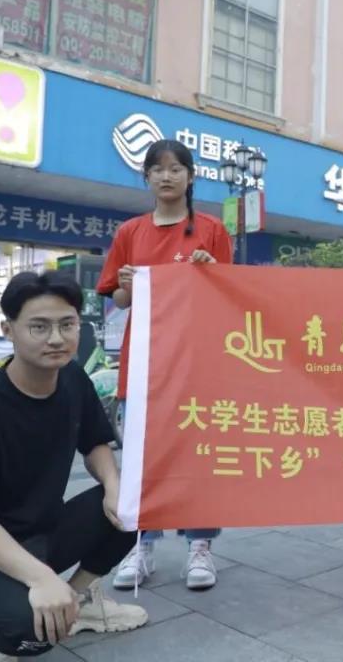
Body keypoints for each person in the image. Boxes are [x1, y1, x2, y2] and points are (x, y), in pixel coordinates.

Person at [0, 271, 147, 661]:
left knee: (138, 501)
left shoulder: (72, 378)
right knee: (33, 633)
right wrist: (42, 577)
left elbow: (95, 443)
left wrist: (115, 488)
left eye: (67, 325)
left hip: (44, 531)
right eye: (39, 327)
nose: (56, 338)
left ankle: (78, 601)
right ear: (9, 330)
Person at [96, 139, 233, 591]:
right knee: (142, 455)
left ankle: (200, 545)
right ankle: (141, 544)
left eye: (176, 168)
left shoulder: (211, 230)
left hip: (197, 360)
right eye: (157, 169)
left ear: (191, 177)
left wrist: (211, 272)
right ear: (147, 178)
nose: (167, 176)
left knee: (199, 451)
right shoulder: (130, 232)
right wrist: (127, 285)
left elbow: (229, 295)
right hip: (144, 361)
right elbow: (118, 298)